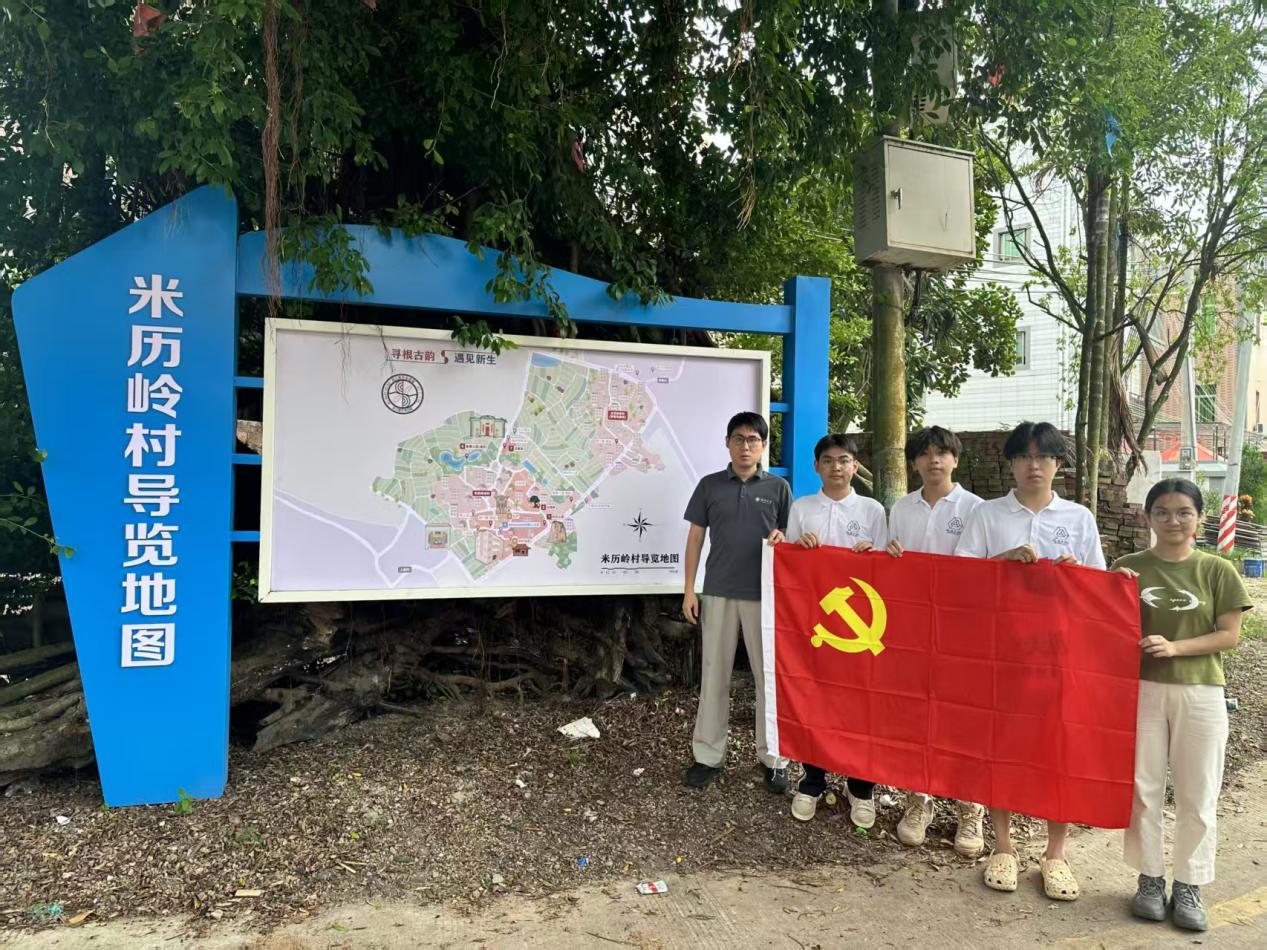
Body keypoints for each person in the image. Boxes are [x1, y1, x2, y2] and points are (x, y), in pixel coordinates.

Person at [955, 421, 1107, 902]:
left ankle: (1055, 853)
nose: (1034, 465)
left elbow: (1100, 588)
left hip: (1059, 654)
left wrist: (1076, 576)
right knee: (1001, 745)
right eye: (1024, 456)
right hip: (1001, 652)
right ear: (1012, 463)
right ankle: (1002, 847)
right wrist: (1001, 560)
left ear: (1058, 463)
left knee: (1058, 747)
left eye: (1044, 457)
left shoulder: (1078, 518)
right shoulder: (987, 514)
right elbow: (959, 579)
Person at [1112, 478, 1251, 932]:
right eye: (1163, 512)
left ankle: (1190, 884)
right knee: (1143, 788)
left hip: (1201, 691)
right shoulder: (1127, 568)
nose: (1173, 521)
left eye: (1184, 512)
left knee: (1198, 792)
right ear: (1148, 517)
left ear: (1199, 518)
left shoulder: (1217, 570)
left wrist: (1175, 648)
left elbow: (1228, 635)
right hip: (1141, 691)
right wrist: (1110, 588)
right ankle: (1150, 879)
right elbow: (1102, 622)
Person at [767, 433, 888, 828]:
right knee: (814, 698)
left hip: (860, 628)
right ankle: (813, 780)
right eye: (829, 460)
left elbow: (887, 569)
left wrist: (873, 554)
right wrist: (793, 546)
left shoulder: (872, 510)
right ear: (816, 466)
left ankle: (861, 786)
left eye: (844, 460)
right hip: (814, 623)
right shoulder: (802, 507)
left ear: (855, 466)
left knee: (861, 704)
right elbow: (789, 562)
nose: (837, 467)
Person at [884, 426, 987, 857]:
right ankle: (918, 800)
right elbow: (887, 569)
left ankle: (970, 807)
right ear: (914, 462)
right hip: (912, 629)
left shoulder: (977, 509)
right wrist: (887, 557)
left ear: (955, 459)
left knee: (964, 718)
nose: (933, 461)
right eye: (924, 454)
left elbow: (983, 571)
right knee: (917, 714)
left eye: (942, 453)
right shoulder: (900, 509)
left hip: (963, 631)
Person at [682, 411, 792, 792]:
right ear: (727, 443)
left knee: (768, 679)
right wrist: (689, 590)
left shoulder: (778, 488)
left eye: (753, 440)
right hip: (718, 592)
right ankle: (707, 756)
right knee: (714, 675)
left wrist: (784, 538)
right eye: (739, 439)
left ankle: (773, 758)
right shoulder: (710, 486)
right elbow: (695, 538)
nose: (746, 446)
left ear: (763, 446)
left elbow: (791, 539)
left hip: (766, 597)